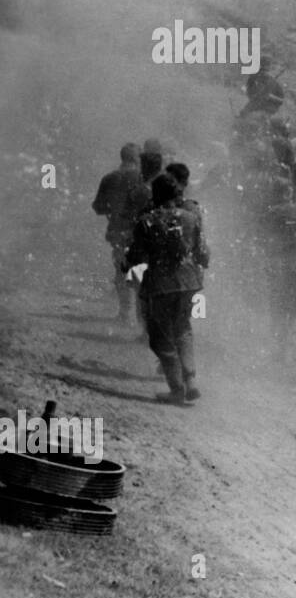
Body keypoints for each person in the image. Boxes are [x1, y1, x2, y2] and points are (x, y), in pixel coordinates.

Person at [124, 173, 209, 404]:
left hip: (160, 284)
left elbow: (135, 256)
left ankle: (176, 388)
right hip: (188, 282)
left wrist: (128, 263)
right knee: (183, 328)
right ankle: (191, 379)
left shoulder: (147, 221)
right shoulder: (192, 218)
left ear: (155, 195)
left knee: (160, 338)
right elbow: (203, 254)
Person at [259, 177, 296, 362]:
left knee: (278, 306)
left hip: (276, 266)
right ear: (289, 192)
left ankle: (281, 348)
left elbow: (262, 241)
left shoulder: (269, 214)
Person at [92, 143, 150, 322]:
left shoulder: (109, 178)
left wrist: (113, 208)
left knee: (121, 271)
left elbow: (98, 207)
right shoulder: (145, 180)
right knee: (141, 274)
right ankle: (142, 321)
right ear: (136, 159)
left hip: (118, 231)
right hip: (140, 234)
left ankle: (125, 313)